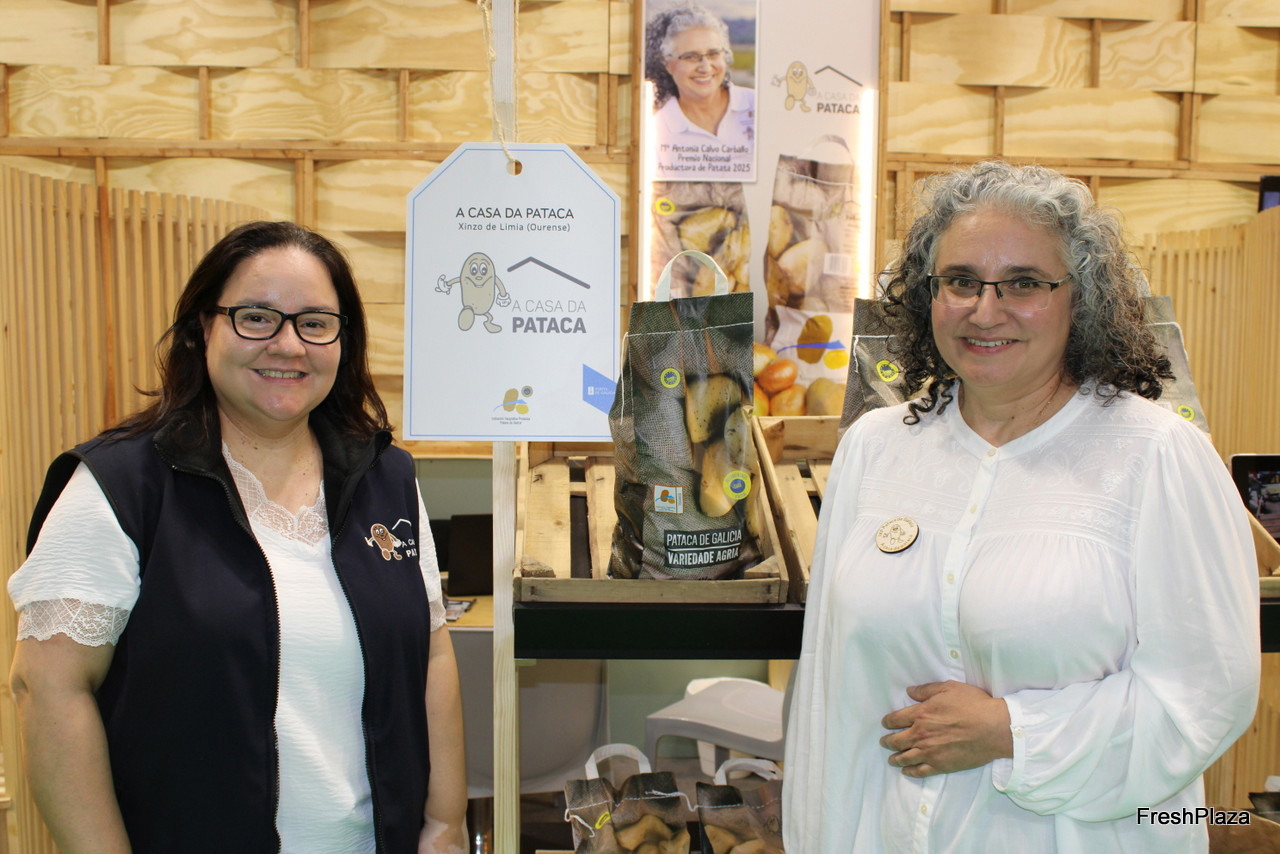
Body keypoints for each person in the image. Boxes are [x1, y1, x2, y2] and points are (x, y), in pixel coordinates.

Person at [783, 162, 1261, 853]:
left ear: (1081, 299)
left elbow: (1206, 692)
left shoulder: (1157, 456)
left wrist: (1013, 731)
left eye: (1025, 283)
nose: (985, 310)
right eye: (960, 281)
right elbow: (827, 695)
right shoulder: (874, 449)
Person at [8, 221, 468, 854]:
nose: (288, 345)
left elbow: (432, 652)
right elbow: (48, 688)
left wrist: (444, 823)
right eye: (256, 318)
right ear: (204, 328)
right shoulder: (121, 485)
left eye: (315, 323)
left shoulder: (385, 477)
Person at [645, 1, 755, 179]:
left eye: (713, 54)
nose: (705, 67)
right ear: (667, 64)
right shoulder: (656, 129)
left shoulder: (757, 105)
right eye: (690, 57)